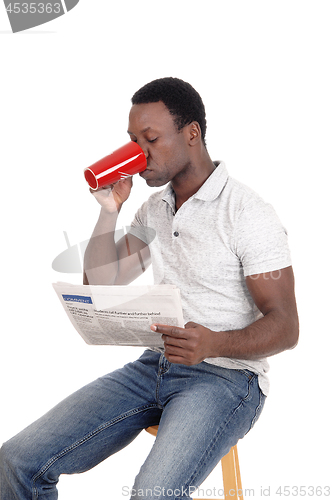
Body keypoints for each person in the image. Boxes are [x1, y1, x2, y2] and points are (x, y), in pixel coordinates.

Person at [0, 77, 299, 500]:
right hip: (153, 367)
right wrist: (110, 212)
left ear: (191, 134)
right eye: (132, 140)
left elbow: (286, 327)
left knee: (152, 495)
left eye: (151, 139)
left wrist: (212, 343)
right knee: (16, 461)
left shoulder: (248, 213)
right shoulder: (154, 208)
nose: (139, 155)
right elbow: (101, 283)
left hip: (226, 380)